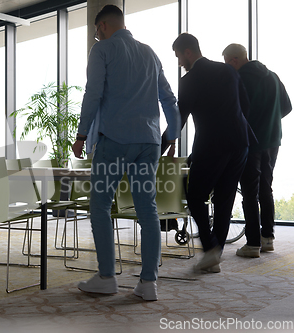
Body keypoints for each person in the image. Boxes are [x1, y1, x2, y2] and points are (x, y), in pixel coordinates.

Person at [72, 5, 180, 301]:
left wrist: (81, 135)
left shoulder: (102, 50)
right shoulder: (150, 53)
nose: (96, 37)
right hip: (148, 143)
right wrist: (172, 135)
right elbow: (169, 100)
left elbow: (93, 93)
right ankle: (148, 284)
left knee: (100, 205)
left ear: (103, 26)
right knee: (147, 210)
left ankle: (106, 277)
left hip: (114, 142)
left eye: (96, 32)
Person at [172, 33, 252, 272]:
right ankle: (214, 253)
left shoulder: (190, 80)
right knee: (224, 198)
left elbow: (180, 116)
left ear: (188, 52)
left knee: (195, 195)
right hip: (240, 142)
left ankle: (211, 249)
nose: (179, 63)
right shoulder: (228, 71)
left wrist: (165, 142)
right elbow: (245, 105)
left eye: (179, 57)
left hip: (213, 145)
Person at [222, 43, 292, 258]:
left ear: (234, 60)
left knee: (250, 192)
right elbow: (287, 106)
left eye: (228, 63)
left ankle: (252, 244)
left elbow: (236, 113)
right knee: (266, 189)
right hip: (272, 141)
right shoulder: (272, 76)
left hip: (251, 143)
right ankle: (267, 238)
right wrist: (269, 121)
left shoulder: (240, 78)